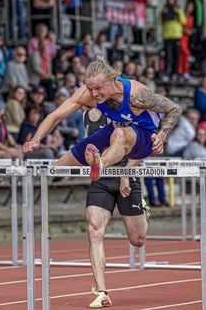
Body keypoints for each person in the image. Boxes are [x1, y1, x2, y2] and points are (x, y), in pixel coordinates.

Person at [23, 56, 182, 181]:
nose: (94, 94)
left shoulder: (137, 96)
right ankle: (94, 164)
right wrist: (36, 139)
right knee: (60, 165)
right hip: (115, 130)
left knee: (120, 133)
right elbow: (56, 116)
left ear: (112, 80)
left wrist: (161, 136)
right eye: (90, 89)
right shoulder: (87, 93)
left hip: (145, 137)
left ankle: (99, 165)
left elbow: (175, 108)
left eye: (98, 88)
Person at [83, 107, 148, 308]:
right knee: (94, 230)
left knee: (138, 239)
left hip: (128, 175)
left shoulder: (128, 110)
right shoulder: (87, 115)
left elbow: (142, 147)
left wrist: (125, 174)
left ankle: (143, 207)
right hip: (101, 179)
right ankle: (101, 292)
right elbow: (89, 147)